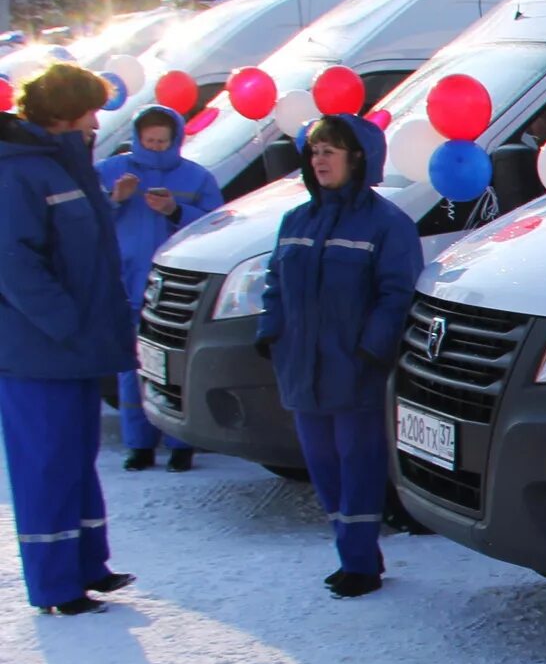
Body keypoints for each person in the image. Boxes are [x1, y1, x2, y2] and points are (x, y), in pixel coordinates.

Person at [256, 113, 421, 598]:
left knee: (358, 465)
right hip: (302, 370)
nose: (320, 158)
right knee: (324, 466)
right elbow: (274, 286)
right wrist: (272, 334)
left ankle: (361, 562)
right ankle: (351, 553)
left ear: (358, 157)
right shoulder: (296, 220)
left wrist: (370, 350)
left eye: (331, 149)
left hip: (355, 371)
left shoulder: (388, 224)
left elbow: (397, 295)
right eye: (315, 150)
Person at [0, 63, 137, 615]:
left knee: (76, 459)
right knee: (46, 465)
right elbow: (15, 264)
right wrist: (67, 323)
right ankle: (55, 586)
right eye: (89, 110)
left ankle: (86, 566)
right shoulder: (18, 173)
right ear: (61, 112)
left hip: (71, 347)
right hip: (39, 352)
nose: (97, 121)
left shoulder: (61, 164)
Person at [96, 103, 217, 470]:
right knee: (130, 367)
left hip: (177, 289)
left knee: (173, 363)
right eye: (149, 141)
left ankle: (182, 443)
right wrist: (115, 200)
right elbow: (86, 220)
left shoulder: (197, 178)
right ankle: (140, 444)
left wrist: (175, 212)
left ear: (176, 139)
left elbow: (216, 226)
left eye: (163, 142)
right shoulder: (110, 171)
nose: (156, 148)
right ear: (136, 139)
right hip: (125, 283)